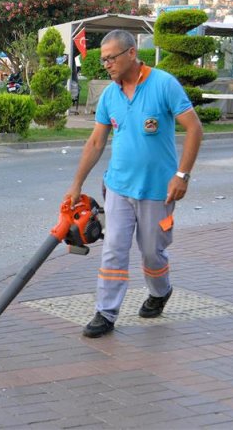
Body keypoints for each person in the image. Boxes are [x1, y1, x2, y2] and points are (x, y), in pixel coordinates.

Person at [65, 29, 203, 338]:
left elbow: (194, 128)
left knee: (153, 252)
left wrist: (182, 175)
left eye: (111, 58)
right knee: (114, 248)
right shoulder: (110, 95)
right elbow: (96, 142)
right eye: (103, 60)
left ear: (130, 54)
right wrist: (76, 184)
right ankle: (106, 312)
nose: (107, 64)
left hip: (158, 190)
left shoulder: (163, 84)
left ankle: (160, 291)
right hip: (118, 187)